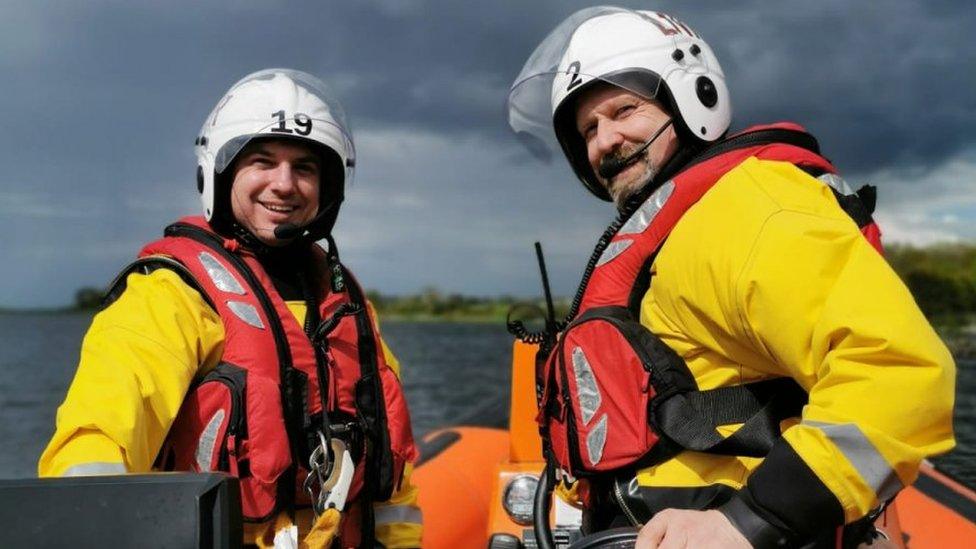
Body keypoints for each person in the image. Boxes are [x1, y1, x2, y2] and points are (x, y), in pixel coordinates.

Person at [507, 7, 955, 548]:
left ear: (691, 96)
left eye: (624, 110)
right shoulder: (677, 235)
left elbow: (900, 375)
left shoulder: (753, 209)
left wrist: (749, 521)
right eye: (589, 130)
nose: (605, 141)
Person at [39, 68, 422, 548]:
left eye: (304, 168)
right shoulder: (170, 294)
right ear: (220, 172)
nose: (284, 184)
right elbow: (96, 440)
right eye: (262, 161)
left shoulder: (347, 305)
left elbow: (394, 486)